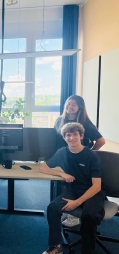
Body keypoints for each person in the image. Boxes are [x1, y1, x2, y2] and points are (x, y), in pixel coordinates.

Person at [40, 123, 105, 254]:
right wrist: (62, 174)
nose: (72, 138)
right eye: (68, 135)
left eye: (75, 134)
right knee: (52, 208)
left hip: (92, 192)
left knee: (89, 215)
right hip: (73, 190)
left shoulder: (92, 156)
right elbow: (43, 167)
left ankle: (87, 251)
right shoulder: (62, 152)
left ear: (81, 136)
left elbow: (97, 186)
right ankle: (55, 247)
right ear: (64, 138)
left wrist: (77, 202)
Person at [54, 95, 106, 227]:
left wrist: (89, 153)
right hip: (64, 158)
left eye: (74, 105)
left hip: (79, 161)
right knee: (62, 184)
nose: (70, 107)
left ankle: (75, 213)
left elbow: (101, 141)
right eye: (68, 104)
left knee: (76, 184)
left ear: (79, 108)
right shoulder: (59, 121)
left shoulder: (85, 123)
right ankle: (63, 211)